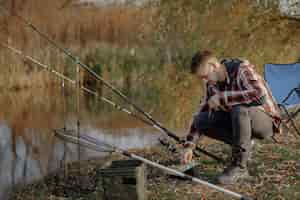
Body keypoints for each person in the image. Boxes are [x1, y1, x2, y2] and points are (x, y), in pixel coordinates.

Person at [182, 50, 281, 185]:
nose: (204, 81)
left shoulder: (242, 69)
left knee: (239, 108)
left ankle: (240, 166)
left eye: (205, 76)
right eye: (201, 78)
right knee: (201, 120)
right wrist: (189, 146)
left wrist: (223, 97)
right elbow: (201, 111)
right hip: (240, 120)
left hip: (265, 122)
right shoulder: (211, 84)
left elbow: (260, 95)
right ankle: (244, 147)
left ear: (213, 65)